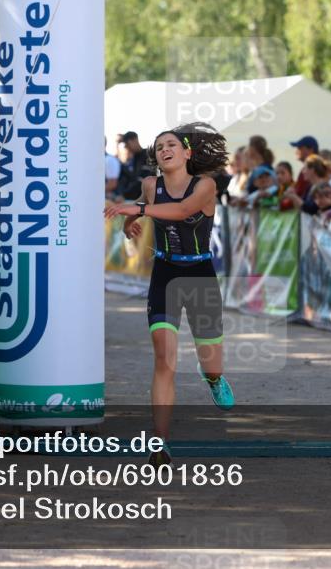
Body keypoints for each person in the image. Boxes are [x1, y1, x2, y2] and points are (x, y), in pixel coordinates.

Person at [104, 123, 235, 465]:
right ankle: (159, 443)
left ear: (187, 153)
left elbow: (181, 211)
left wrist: (137, 212)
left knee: (212, 363)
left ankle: (213, 378)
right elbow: (140, 206)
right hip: (165, 273)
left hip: (200, 275)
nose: (165, 149)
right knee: (164, 358)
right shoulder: (151, 185)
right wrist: (128, 224)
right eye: (160, 146)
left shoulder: (205, 185)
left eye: (172, 144)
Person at [117, 131, 153, 200]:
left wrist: (125, 195)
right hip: (135, 197)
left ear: (134, 140)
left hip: (147, 197)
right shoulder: (134, 158)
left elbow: (143, 179)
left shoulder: (148, 155)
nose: (127, 148)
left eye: (127, 144)